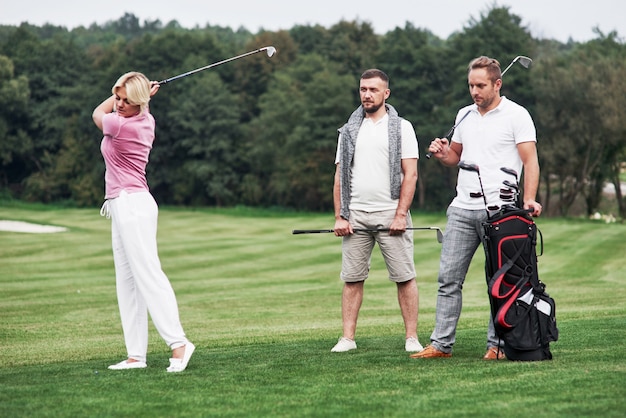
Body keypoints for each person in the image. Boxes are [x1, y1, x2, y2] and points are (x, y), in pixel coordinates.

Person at [411, 56, 542, 360]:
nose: (475, 91)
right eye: (471, 85)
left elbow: (530, 161)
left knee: (500, 281)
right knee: (448, 278)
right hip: (461, 207)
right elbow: (455, 156)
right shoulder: (464, 115)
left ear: (498, 83)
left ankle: (496, 345)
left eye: (481, 85)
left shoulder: (517, 115)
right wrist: (443, 153)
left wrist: (530, 199)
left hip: (501, 210)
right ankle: (441, 345)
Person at [93, 71, 195, 372]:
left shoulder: (118, 125)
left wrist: (121, 99)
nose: (119, 104)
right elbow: (132, 109)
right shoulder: (146, 120)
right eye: (117, 97)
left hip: (132, 205)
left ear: (138, 100)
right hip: (126, 205)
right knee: (127, 283)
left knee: (148, 276)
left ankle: (179, 343)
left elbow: (97, 113)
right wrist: (140, 99)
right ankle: (136, 355)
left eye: (125, 100)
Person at [330, 69, 423, 353]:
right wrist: (340, 216)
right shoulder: (347, 131)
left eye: (372, 89)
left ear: (386, 93)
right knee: (352, 278)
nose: (366, 94)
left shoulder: (402, 127)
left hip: (390, 212)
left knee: (404, 277)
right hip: (355, 214)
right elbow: (339, 176)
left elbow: (411, 174)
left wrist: (399, 215)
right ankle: (347, 338)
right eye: (362, 89)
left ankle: (411, 337)